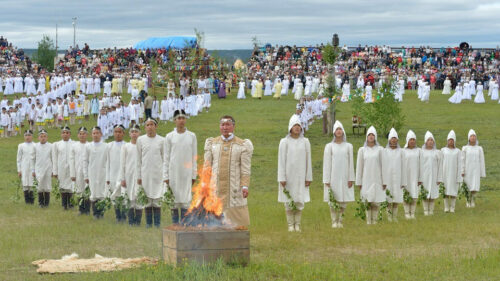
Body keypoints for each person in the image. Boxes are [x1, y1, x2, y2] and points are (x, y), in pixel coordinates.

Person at [203, 115, 253, 227]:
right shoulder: (213, 143)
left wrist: (245, 186)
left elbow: (245, 169)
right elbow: (207, 166)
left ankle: (236, 241)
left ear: (233, 126)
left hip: (234, 188)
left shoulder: (242, 145)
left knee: (236, 222)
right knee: (214, 218)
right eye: (222, 125)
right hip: (215, 186)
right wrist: (205, 183)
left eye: (228, 124)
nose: (225, 127)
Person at [277, 115, 312, 232]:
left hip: (301, 175)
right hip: (288, 176)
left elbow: (308, 160)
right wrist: (281, 177)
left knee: (299, 198)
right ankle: (290, 225)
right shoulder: (284, 142)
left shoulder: (305, 142)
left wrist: (308, 177)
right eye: (294, 126)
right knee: (289, 199)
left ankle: (297, 224)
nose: (297, 128)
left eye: (298, 126)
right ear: (290, 128)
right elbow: (281, 160)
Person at [163, 110, 197, 224]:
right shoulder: (169, 136)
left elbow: (194, 156)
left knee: (186, 198)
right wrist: (166, 175)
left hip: (186, 172)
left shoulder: (192, 136)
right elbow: (166, 157)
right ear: (174, 121)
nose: (181, 120)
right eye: (179, 118)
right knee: (174, 198)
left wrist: (194, 174)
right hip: (173, 172)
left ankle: (185, 223)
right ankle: (175, 224)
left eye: (183, 118)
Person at [322, 121, 354, 228]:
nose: (339, 131)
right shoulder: (329, 146)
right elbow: (326, 164)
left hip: (345, 176)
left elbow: (351, 163)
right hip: (333, 177)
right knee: (333, 199)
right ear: (334, 132)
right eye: (337, 129)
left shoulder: (349, 146)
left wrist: (351, 178)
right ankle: (334, 221)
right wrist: (326, 179)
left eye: (340, 129)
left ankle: (340, 221)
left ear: (343, 131)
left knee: (343, 199)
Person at [137, 118, 165, 228]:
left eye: (152, 124)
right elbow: (138, 159)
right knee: (147, 199)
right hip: (145, 174)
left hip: (158, 174)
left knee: (157, 199)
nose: (150, 127)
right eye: (147, 125)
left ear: (156, 126)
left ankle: (157, 223)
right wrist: (139, 176)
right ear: (145, 127)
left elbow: (164, 158)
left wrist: (165, 176)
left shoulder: (162, 140)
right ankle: (149, 223)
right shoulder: (141, 140)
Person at [356, 126, 384, 225]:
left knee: (376, 200)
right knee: (367, 199)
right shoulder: (362, 150)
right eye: (369, 135)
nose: (371, 137)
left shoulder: (380, 150)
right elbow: (359, 167)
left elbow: (383, 166)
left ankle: (375, 220)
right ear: (366, 137)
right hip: (366, 179)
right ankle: (368, 220)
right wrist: (358, 181)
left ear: (375, 137)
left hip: (377, 179)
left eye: (373, 135)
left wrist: (384, 181)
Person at [382, 128, 406, 222]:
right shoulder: (384, 151)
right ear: (389, 140)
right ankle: (389, 216)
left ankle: (394, 216)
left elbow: (403, 167)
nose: (394, 140)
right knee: (388, 198)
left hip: (398, 178)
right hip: (387, 178)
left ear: (398, 140)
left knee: (396, 198)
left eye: (395, 138)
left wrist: (404, 181)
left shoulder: (401, 152)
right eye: (392, 138)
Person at [84, 126, 108, 219]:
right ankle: (95, 213)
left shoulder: (106, 146)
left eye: (97, 133)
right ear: (91, 135)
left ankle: (101, 213)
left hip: (103, 172)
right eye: (94, 133)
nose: (95, 135)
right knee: (93, 193)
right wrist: (86, 175)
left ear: (101, 134)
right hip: (92, 172)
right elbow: (85, 161)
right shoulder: (88, 146)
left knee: (101, 192)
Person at [120, 124, 142, 225]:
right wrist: (122, 178)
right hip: (128, 175)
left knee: (139, 197)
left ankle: (138, 221)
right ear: (129, 134)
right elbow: (122, 163)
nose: (134, 134)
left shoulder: (142, 146)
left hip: (140, 177)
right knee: (129, 197)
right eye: (132, 132)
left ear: (140, 133)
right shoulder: (126, 147)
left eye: (136, 132)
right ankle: (131, 220)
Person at [419, 131, 442, 215]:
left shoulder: (438, 153)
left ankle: (431, 211)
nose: (430, 142)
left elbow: (440, 166)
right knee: (425, 193)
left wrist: (439, 178)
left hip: (434, 176)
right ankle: (426, 210)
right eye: (429, 140)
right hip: (424, 176)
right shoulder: (421, 152)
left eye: (432, 140)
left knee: (433, 193)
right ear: (425, 142)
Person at [107, 125, 126, 222]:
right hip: (113, 175)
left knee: (123, 196)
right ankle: (118, 216)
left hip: (124, 176)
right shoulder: (109, 146)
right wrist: (107, 177)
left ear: (123, 133)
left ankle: (124, 215)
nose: (117, 134)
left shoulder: (126, 145)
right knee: (115, 195)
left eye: (120, 132)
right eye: (116, 132)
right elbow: (107, 163)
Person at [462, 129, 485, 208]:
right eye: (471, 136)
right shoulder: (465, 148)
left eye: (474, 136)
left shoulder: (479, 148)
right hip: (468, 170)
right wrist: (462, 170)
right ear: (469, 138)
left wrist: (482, 173)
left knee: (474, 186)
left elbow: (482, 161)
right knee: (468, 186)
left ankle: (473, 202)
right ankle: (468, 201)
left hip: (476, 170)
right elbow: (462, 160)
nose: (473, 138)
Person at [52, 126, 74, 210]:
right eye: (63, 133)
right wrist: (55, 171)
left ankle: (71, 203)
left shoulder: (74, 144)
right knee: (63, 186)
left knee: (71, 186)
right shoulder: (57, 144)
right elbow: (54, 158)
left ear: (70, 134)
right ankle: (64, 204)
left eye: (67, 133)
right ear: (61, 134)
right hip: (61, 168)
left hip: (71, 168)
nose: (65, 134)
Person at [70, 127, 90, 215]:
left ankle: (88, 209)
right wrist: (72, 173)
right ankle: (81, 209)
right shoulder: (74, 146)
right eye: (80, 134)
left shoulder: (90, 145)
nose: (82, 135)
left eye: (84, 134)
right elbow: (71, 160)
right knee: (79, 190)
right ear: (78, 135)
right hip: (77, 170)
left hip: (88, 171)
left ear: (87, 135)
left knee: (88, 190)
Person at [441, 130, 462, 213]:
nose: (451, 141)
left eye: (452, 140)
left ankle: (452, 207)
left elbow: (459, 164)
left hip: (454, 173)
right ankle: (446, 207)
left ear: (454, 141)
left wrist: (459, 176)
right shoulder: (443, 150)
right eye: (449, 140)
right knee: (445, 190)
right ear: (447, 140)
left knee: (453, 191)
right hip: (445, 173)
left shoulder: (458, 151)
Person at [403, 130, 421, 219]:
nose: (412, 141)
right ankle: (407, 212)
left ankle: (412, 212)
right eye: (411, 139)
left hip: (415, 176)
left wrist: (420, 178)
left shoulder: (419, 151)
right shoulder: (403, 151)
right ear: (407, 141)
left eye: (414, 139)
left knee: (414, 193)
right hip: (406, 176)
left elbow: (421, 165)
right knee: (406, 193)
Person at [33, 129, 53, 207]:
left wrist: (53, 170)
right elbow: (33, 158)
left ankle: (47, 203)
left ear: (47, 137)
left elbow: (53, 158)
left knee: (47, 185)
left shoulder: (51, 146)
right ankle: (41, 202)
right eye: (41, 136)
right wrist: (33, 170)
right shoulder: (35, 146)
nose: (43, 138)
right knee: (40, 185)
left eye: (44, 136)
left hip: (48, 168)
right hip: (38, 168)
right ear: (38, 137)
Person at [17, 130, 35, 204]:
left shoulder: (35, 145)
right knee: (25, 183)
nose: (27, 137)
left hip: (32, 167)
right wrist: (19, 170)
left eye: (29, 135)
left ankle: (32, 200)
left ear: (32, 136)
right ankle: (27, 201)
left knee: (32, 183)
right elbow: (19, 158)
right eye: (26, 135)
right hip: (24, 167)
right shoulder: (21, 146)